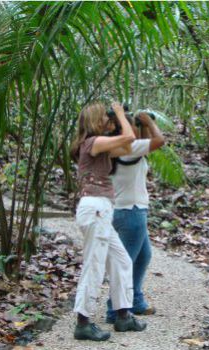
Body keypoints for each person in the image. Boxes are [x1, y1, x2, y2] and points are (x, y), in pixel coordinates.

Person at [70, 102, 147, 342]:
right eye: (104, 116)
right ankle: (83, 322)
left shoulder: (100, 146)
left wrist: (117, 120)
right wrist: (121, 115)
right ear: (94, 120)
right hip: (95, 209)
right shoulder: (92, 143)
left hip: (101, 210)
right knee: (94, 264)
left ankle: (123, 315)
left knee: (122, 260)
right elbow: (129, 135)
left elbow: (128, 143)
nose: (108, 118)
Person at [105, 111, 165, 323]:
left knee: (143, 256)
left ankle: (136, 300)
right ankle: (114, 309)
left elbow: (143, 142)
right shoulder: (128, 150)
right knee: (126, 262)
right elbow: (159, 141)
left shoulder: (115, 148)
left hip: (123, 210)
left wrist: (142, 125)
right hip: (132, 213)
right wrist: (149, 122)